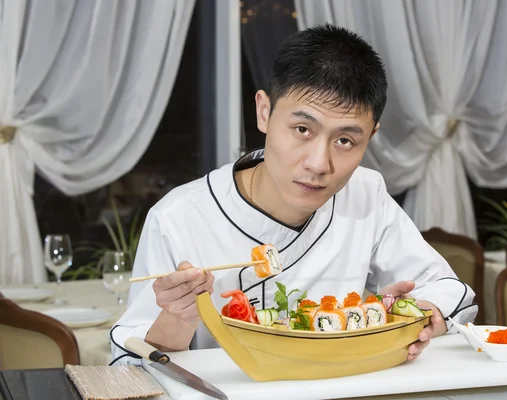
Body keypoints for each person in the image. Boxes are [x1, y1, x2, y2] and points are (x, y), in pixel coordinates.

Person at [110, 24, 477, 366]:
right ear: (265, 112)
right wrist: (177, 315)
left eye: (346, 140)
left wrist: (415, 316)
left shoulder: (365, 193)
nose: (319, 164)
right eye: (303, 128)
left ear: (371, 137)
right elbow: (130, 365)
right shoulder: (178, 218)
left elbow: (447, 290)